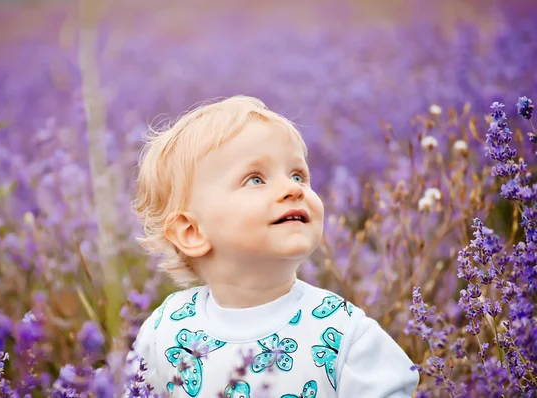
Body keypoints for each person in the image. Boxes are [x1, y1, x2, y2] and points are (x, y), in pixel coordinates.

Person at [126, 96, 419, 398]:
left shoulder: (343, 331)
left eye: (298, 175)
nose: (293, 189)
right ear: (192, 232)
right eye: (255, 179)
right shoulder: (167, 330)